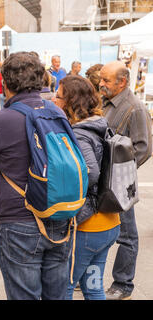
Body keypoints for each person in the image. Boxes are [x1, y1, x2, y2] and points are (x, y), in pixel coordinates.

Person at [0, 52, 72, 300]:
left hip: (20, 219)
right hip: (60, 214)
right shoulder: (57, 112)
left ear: (7, 83)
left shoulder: (1, 119)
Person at [54, 75, 120, 300]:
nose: (54, 99)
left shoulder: (81, 133)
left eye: (59, 96)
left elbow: (90, 173)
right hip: (108, 222)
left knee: (64, 287)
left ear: (71, 102)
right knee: (93, 287)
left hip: (88, 227)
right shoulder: (100, 124)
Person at [99, 61, 152, 300]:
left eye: (106, 80)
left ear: (122, 82)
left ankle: (123, 284)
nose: (101, 84)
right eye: (101, 79)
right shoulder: (106, 103)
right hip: (102, 181)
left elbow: (143, 148)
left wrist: (120, 171)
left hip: (121, 184)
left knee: (127, 236)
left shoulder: (135, 108)